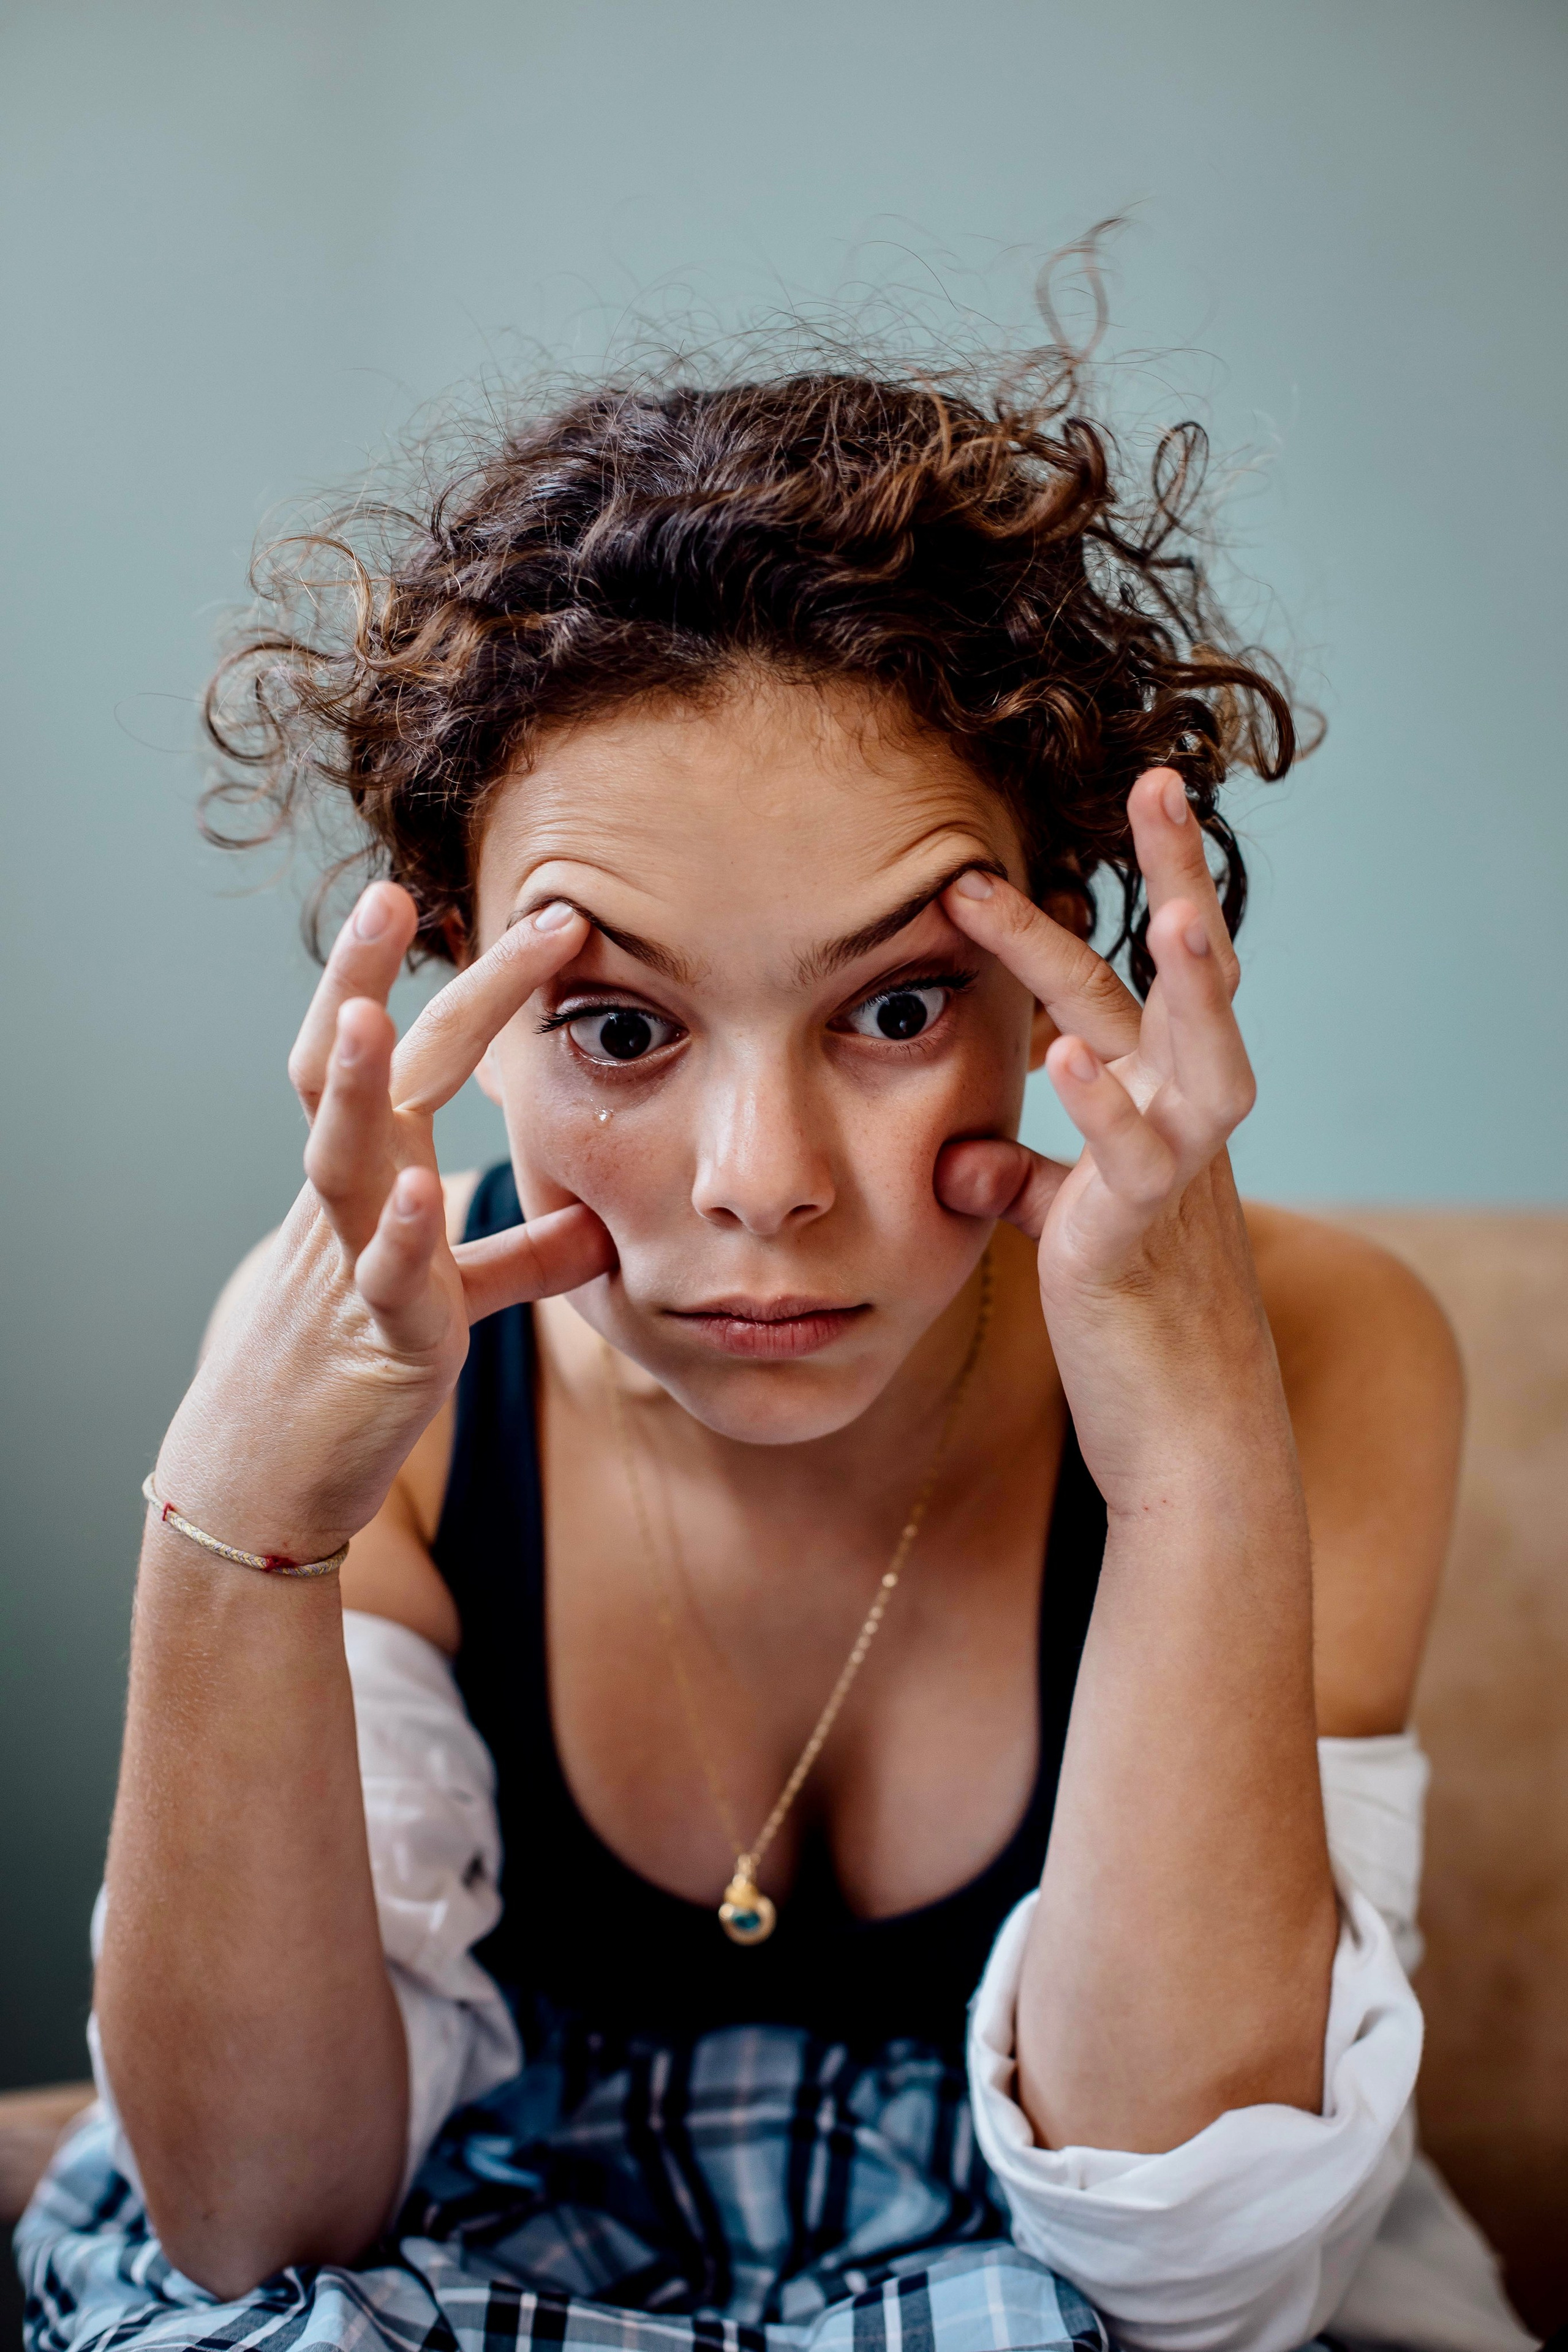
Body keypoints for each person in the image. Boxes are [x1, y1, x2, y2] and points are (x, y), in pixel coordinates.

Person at [17, 360, 1536, 2352]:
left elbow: (1206, 2273)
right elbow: (251, 2223)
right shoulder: (358, 1390)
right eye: (624, 1028)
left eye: (895, 1007)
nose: (765, 1186)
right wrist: (234, 1522)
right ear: (460, 989)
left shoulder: (1322, 1351)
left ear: (1053, 952)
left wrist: (1185, 1470)